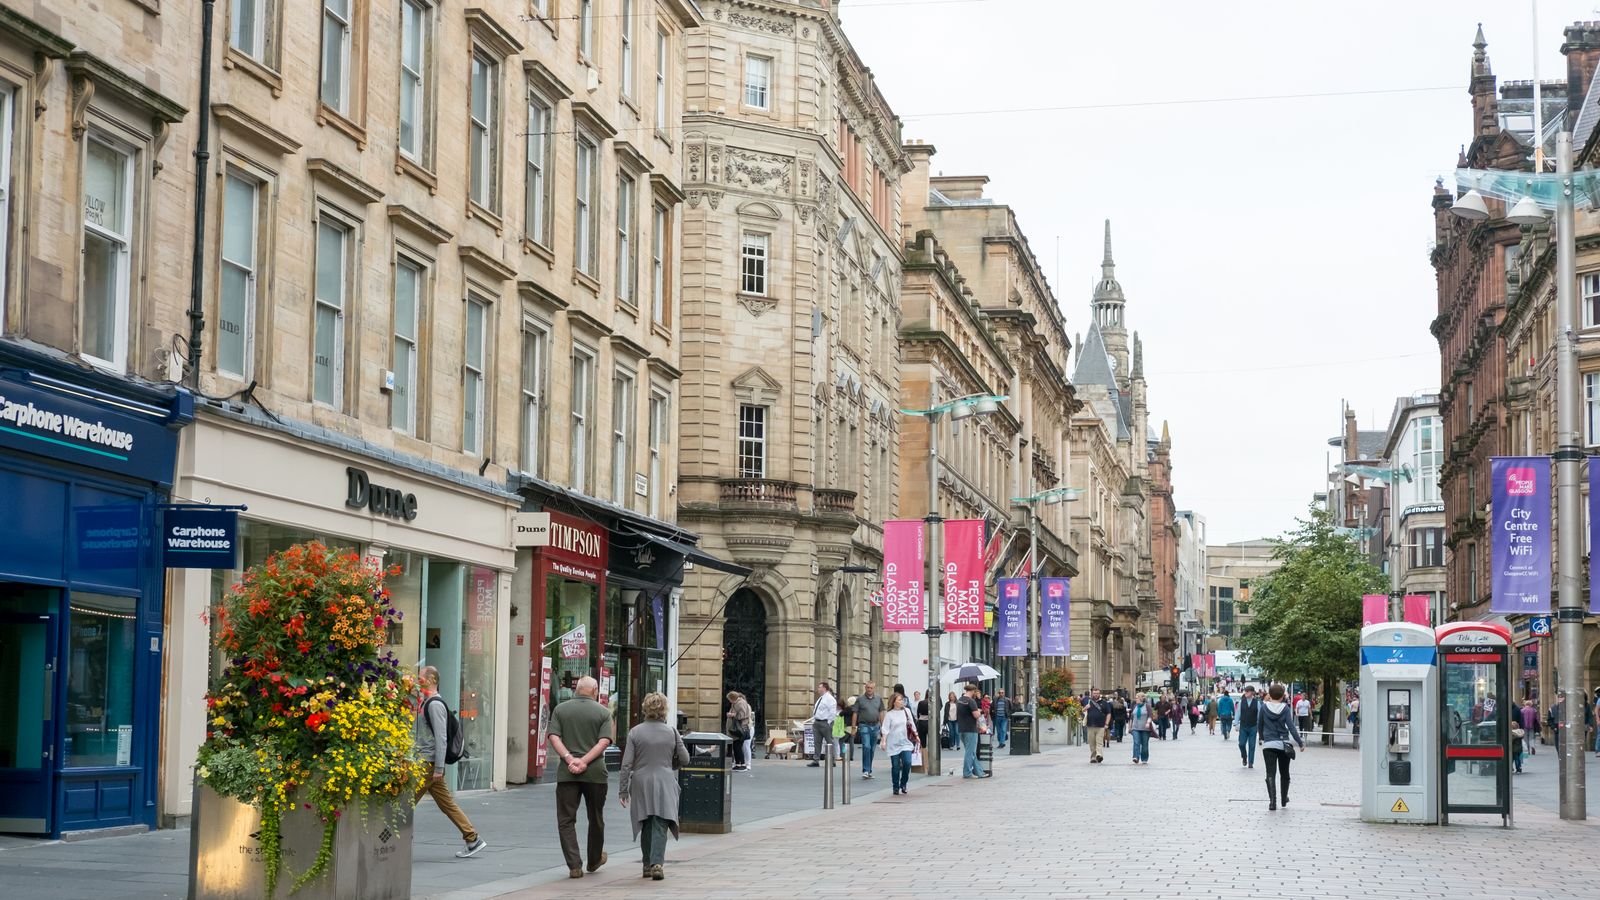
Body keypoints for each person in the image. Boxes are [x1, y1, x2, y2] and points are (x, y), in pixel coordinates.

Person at [413, 665, 486, 858]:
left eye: (420, 677)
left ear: (431, 680)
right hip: (427, 763)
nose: (417, 680)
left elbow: (441, 738)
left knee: (404, 803)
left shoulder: (434, 705)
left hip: (427, 765)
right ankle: (472, 838)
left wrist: (438, 767)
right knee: (447, 804)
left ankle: (397, 840)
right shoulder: (425, 702)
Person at [547, 674, 614, 879]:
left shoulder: (560, 710)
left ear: (577, 690)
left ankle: (574, 865)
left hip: (567, 774)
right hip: (595, 773)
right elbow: (604, 741)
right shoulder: (603, 713)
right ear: (595, 691)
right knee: (595, 817)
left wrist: (569, 759)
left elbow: (553, 737)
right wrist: (585, 761)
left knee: (566, 820)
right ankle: (594, 859)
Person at [618, 692, 689, 881]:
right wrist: (670, 766)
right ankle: (657, 863)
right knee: (661, 821)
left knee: (646, 820)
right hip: (665, 779)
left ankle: (646, 864)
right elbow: (685, 759)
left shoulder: (635, 732)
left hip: (641, 780)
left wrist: (623, 789)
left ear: (645, 708)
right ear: (664, 709)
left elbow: (626, 764)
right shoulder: (672, 732)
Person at [1258, 683, 1305, 811]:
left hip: (1269, 745)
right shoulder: (1285, 708)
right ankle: (1284, 799)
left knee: (1270, 773)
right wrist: (1300, 743)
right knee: (1285, 773)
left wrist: (1263, 737)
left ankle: (1272, 802)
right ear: (1282, 696)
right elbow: (1291, 727)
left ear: (1270, 694)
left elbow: (1259, 724)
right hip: (1283, 744)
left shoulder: (1263, 707)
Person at [879, 691, 920, 795]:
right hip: (893, 743)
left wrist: (917, 736)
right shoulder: (889, 714)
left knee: (907, 763)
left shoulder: (906, 711)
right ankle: (895, 787)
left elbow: (912, 724)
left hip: (905, 742)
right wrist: (883, 741)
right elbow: (885, 729)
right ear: (894, 702)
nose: (902, 701)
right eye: (900, 700)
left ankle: (904, 783)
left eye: (902, 699)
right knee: (896, 766)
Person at [854, 682, 884, 779]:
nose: (869, 689)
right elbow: (855, 713)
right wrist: (853, 727)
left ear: (874, 688)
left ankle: (869, 770)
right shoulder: (860, 699)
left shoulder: (879, 699)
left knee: (872, 749)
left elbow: (881, 712)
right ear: (865, 688)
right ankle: (866, 770)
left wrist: (883, 727)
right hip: (864, 725)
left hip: (875, 726)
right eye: (868, 687)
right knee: (866, 746)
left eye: (871, 688)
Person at [807, 682, 838, 767]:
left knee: (829, 742)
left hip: (825, 722)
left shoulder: (830, 699)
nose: (818, 689)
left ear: (824, 688)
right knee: (817, 742)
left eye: (819, 687)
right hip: (817, 722)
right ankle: (816, 760)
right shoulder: (821, 698)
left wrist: (828, 722)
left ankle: (832, 760)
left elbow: (832, 712)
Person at [957, 683, 984, 778]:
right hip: (971, 729)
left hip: (961, 729)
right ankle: (967, 773)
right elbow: (976, 715)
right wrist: (979, 711)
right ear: (973, 691)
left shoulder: (959, 700)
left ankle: (979, 772)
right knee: (970, 752)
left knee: (971, 752)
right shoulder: (971, 701)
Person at [724, 691, 753, 772]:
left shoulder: (740, 703)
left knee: (738, 747)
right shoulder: (736, 703)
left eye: (729, 699)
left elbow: (742, 715)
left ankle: (743, 764)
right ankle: (738, 764)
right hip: (736, 729)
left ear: (732, 698)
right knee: (736, 747)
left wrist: (732, 715)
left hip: (739, 729)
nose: (729, 701)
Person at [1236, 685, 1262, 768]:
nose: (1246, 693)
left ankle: (1251, 762)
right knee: (1241, 744)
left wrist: (1259, 726)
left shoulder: (1257, 703)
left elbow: (1259, 716)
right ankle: (1244, 756)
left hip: (1253, 726)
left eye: (1247, 691)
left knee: (1252, 745)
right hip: (1243, 726)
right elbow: (1238, 713)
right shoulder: (1241, 702)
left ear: (1252, 692)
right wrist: (1236, 724)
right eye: (1245, 691)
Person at [1083, 688, 1110, 763]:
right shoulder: (1088, 701)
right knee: (1092, 743)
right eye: (1094, 693)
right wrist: (1085, 708)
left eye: (1097, 693)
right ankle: (1093, 757)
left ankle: (1099, 755)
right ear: (1092, 694)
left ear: (1099, 694)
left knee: (1099, 742)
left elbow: (1108, 713)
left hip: (1101, 726)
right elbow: (1081, 711)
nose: (1096, 695)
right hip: (1090, 725)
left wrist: (1107, 724)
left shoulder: (1104, 703)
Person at [1129, 693, 1154, 764]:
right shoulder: (1135, 706)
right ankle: (1136, 757)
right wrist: (1130, 727)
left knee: (1144, 744)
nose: (1135, 699)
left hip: (1145, 729)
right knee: (1136, 742)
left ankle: (1144, 758)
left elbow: (1150, 716)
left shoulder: (1147, 706)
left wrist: (1148, 723)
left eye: (1137, 698)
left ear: (1141, 698)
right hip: (1135, 728)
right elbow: (1131, 717)